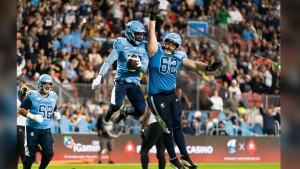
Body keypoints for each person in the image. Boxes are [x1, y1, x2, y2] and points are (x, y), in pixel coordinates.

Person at [146, 1, 222, 168]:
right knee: (167, 128)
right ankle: (173, 159)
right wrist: (152, 18)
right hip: (156, 96)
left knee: (178, 126)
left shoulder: (179, 56)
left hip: (171, 94)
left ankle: (185, 156)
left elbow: (194, 64)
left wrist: (208, 68)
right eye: (168, 42)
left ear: (176, 46)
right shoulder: (155, 50)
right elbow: (151, 35)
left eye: (173, 44)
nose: (169, 45)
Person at [91, 20, 149, 124]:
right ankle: (109, 111)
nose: (140, 37)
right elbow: (109, 61)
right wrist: (100, 76)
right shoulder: (122, 43)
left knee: (141, 110)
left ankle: (125, 112)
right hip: (121, 81)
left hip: (134, 83)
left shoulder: (144, 47)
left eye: (141, 34)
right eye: (137, 34)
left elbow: (144, 69)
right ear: (129, 33)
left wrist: (139, 65)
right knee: (115, 105)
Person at [17, 74, 61, 169]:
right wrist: (32, 116)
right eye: (45, 84)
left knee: (49, 153)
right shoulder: (32, 95)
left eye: (49, 84)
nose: (47, 86)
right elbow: (20, 110)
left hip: (46, 129)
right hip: (32, 128)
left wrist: (57, 113)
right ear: (40, 84)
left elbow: (55, 108)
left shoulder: (53, 96)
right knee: (30, 156)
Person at [140, 95, 166, 169]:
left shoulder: (150, 95)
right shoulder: (166, 95)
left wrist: (142, 129)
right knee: (161, 154)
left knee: (144, 151)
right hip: (165, 125)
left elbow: (147, 113)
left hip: (155, 123)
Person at [17, 85, 30, 165]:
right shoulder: (16, 102)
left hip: (23, 126)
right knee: (22, 147)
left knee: (17, 149)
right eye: (25, 96)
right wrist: (21, 109)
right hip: (17, 126)